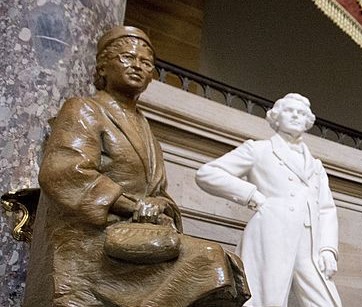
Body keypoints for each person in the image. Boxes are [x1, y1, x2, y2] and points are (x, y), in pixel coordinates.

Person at [23, 26, 249, 307]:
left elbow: (160, 193)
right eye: (127, 58)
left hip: (136, 237)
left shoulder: (144, 126)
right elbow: (65, 172)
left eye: (146, 63)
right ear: (103, 66)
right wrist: (132, 206)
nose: (138, 67)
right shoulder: (83, 109)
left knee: (227, 267)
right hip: (93, 244)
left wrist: (159, 206)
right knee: (209, 260)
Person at [195, 93, 342, 307]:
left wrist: (328, 249)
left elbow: (327, 209)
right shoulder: (259, 150)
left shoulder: (316, 166)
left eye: (301, 113)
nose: (295, 116)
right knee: (265, 300)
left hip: (309, 243)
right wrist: (252, 195)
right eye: (289, 111)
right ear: (276, 117)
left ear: (308, 121)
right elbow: (207, 173)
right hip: (271, 233)